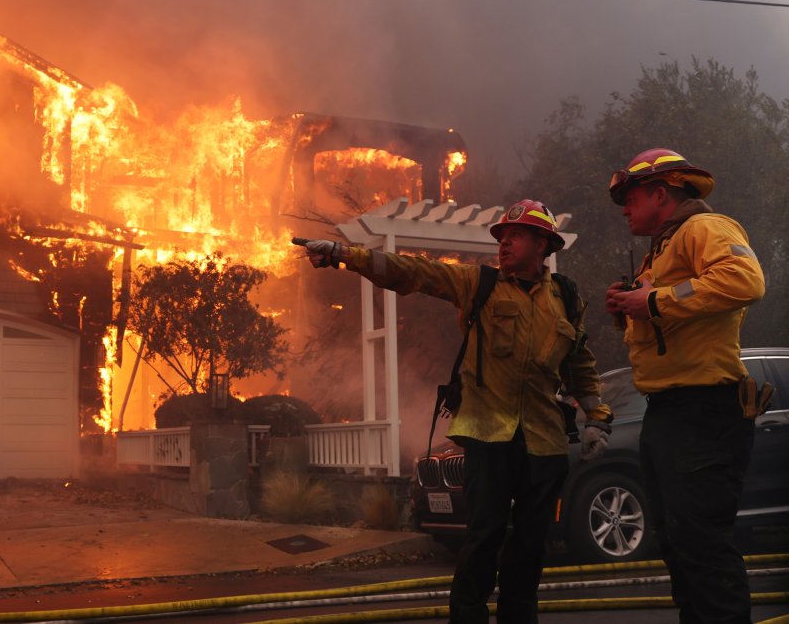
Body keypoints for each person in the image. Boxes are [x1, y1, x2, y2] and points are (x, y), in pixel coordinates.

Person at [299, 199, 609, 624]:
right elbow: (412, 271)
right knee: (484, 537)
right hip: (488, 435)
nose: (504, 243)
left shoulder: (566, 298)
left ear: (543, 244)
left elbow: (580, 364)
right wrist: (342, 255)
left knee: (532, 544)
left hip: (544, 442)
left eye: (515, 235)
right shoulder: (476, 283)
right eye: (501, 236)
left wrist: (597, 418)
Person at [605, 148, 765, 623]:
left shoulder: (706, 229)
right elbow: (670, 321)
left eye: (630, 198)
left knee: (702, 548)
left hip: (703, 412)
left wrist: (652, 300)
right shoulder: (664, 249)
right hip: (672, 414)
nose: (625, 210)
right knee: (679, 544)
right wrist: (629, 309)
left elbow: (745, 280)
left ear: (661, 193)